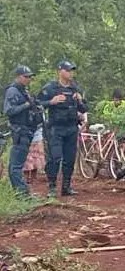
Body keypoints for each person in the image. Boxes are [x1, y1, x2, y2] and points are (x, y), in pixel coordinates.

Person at [38, 60, 88, 198]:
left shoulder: (75, 88)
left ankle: (66, 187)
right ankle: (52, 187)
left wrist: (80, 100)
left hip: (72, 127)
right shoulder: (50, 88)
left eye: (72, 70)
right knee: (55, 158)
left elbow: (85, 109)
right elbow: (37, 104)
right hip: (56, 128)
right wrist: (51, 101)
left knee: (70, 159)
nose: (71, 73)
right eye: (68, 70)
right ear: (60, 71)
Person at [3, 65, 42, 197]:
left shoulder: (24, 90)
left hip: (27, 130)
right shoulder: (13, 91)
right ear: (18, 77)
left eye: (30, 77)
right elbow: (9, 111)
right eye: (26, 77)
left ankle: (21, 192)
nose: (29, 79)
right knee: (16, 165)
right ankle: (22, 193)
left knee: (17, 164)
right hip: (20, 131)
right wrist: (26, 105)